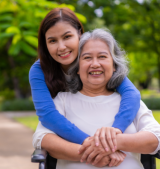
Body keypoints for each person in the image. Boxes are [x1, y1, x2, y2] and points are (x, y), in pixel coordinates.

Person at [32, 28, 160, 169]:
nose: (95, 64)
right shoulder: (63, 100)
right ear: (77, 67)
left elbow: (158, 137)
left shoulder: (129, 102)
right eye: (87, 58)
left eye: (102, 57)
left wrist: (115, 141)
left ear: (114, 65)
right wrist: (97, 153)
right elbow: (42, 138)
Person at [29, 7, 141, 155]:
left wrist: (114, 132)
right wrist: (93, 144)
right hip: (67, 140)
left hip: (102, 121)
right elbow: (48, 115)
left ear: (80, 35)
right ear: (45, 44)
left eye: (67, 37)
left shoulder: (96, 64)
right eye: (52, 41)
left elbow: (132, 94)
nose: (61, 47)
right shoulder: (39, 70)